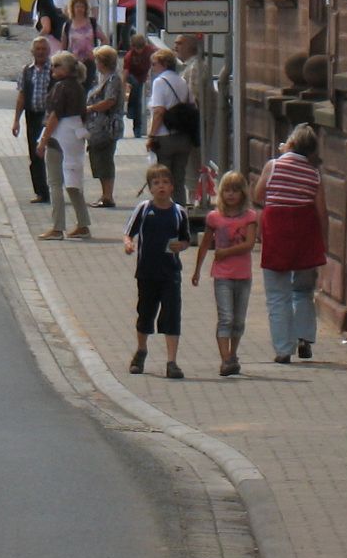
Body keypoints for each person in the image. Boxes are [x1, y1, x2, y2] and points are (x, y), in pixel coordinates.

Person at [255, 123, 328, 366]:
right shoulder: (314, 173)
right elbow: (321, 211)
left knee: (278, 295)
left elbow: (257, 195)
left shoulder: (274, 166)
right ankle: (305, 338)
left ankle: (283, 349)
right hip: (305, 238)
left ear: (291, 143)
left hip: (277, 236)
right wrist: (323, 242)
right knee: (303, 291)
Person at [124, 164, 192, 379]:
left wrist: (180, 246)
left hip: (170, 273)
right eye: (156, 183)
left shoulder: (179, 212)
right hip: (146, 272)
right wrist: (128, 244)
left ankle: (172, 362)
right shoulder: (144, 209)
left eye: (165, 183)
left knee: (172, 315)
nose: (161, 187)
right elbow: (129, 233)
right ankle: (141, 350)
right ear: (150, 188)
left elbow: (186, 239)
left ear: (172, 187)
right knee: (145, 314)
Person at [191, 170, 258, 376]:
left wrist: (225, 252)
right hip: (222, 275)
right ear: (221, 193)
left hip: (243, 274)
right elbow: (204, 245)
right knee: (226, 318)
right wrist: (197, 270)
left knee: (239, 320)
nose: (231, 194)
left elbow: (249, 244)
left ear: (242, 194)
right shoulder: (214, 217)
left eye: (235, 191)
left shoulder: (250, 217)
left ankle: (233, 353)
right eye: (227, 190)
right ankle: (225, 359)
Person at [35, 50, 91, 240]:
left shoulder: (61, 87)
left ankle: (58, 227)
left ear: (67, 68)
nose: (53, 68)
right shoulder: (79, 87)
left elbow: (55, 115)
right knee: (73, 179)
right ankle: (83, 224)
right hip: (76, 134)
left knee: (55, 182)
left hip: (59, 135)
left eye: (57, 65)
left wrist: (43, 141)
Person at [144, 46, 198, 206]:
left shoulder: (160, 82)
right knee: (178, 179)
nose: (152, 68)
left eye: (154, 64)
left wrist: (151, 136)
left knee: (162, 179)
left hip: (165, 137)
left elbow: (159, 111)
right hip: (183, 136)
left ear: (163, 64)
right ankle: (180, 213)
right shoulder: (181, 80)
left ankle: (164, 211)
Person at [11, 36, 54, 204]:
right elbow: (21, 95)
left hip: (50, 117)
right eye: (38, 49)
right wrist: (16, 120)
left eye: (44, 49)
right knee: (35, 155)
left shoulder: (53, 70)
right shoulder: (26, 70)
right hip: (32, 116)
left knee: (52, 154)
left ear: (49, 51)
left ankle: (54, 187)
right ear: (32, 51)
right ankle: (41, 192)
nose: (41, 52)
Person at [82, 44, 125, 207]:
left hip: (107, 125)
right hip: (97, 125)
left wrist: (91, 108)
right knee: (98, 158)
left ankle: (108, 195)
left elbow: (110, 100)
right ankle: (104, 194)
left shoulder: (113, 79)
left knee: (105, 159)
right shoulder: (103, 78)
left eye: (97, 60)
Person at [123, 32, 155, 137]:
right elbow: (126, 73)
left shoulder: (149, 50)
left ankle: (136, 124)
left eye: (141, 48)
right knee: (136, 86)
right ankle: (131, 111)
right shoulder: (129, 56)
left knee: (138, 102)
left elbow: (159, 53)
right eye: (137, 48)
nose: (140, 51)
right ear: (133, 47)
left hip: (142, 78)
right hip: (132, 76)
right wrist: (123, 87)